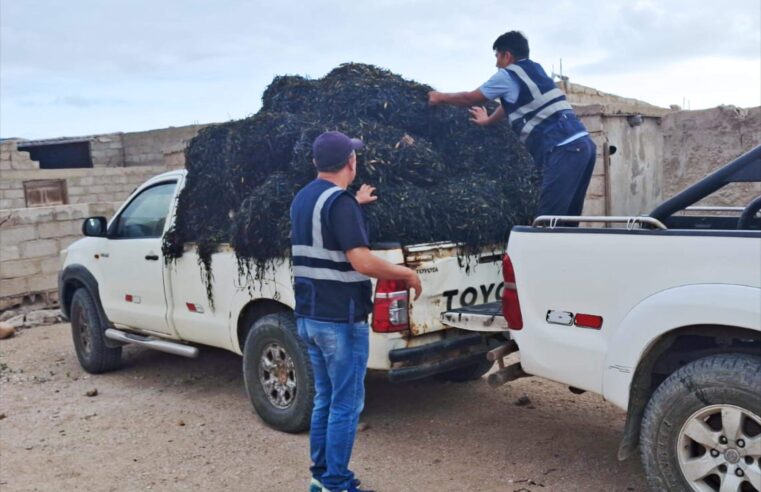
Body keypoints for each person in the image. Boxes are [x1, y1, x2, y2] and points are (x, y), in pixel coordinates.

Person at [290, 130, 422, 492]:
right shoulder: (340, 204)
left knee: (325, 399)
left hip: (309, 315)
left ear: (317, 163)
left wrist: (355, 202)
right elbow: (361, 261)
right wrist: (405, 272)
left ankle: (320, 475)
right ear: (351, 162)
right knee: (346, 405)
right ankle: (337, 483)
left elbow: (327, 229)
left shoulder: (304, 199)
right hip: (341, 320)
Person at [428, 30, 597, 218]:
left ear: (507, 55)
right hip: (585, 146)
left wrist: (439, 97)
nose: (496, 64)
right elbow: (512, 104)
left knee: (548, 221)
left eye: (497, 57)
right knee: (568, 219)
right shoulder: (535, 70)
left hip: (563, 149)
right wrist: (488, 120)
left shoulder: (507, 76)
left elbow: (471, 98)